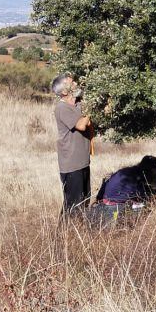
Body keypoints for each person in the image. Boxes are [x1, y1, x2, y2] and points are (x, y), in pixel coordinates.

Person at [51, 73, 93, 215]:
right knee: (73, 205)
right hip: (71, 165)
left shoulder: (79, 104)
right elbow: (81, 125)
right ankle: (64, 235)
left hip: (83, 161)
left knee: (84, 201)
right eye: (72, 83)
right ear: (64, 92)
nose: (76, 84)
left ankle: (77, 233)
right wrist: (93, 108)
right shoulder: (61, 108)